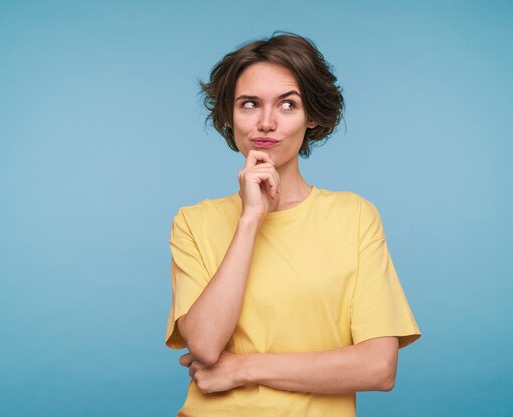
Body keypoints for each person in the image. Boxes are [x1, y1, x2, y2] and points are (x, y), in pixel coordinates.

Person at [165, 32, 421, 416]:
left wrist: (242, 368)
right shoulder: (193, 221)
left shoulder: (354, 217)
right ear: (229, 116)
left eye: (287, 105)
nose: (266, 123)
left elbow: (378, 368)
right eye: (249, 104)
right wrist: (250, 219)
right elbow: (203, 345)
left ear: (312, 116)